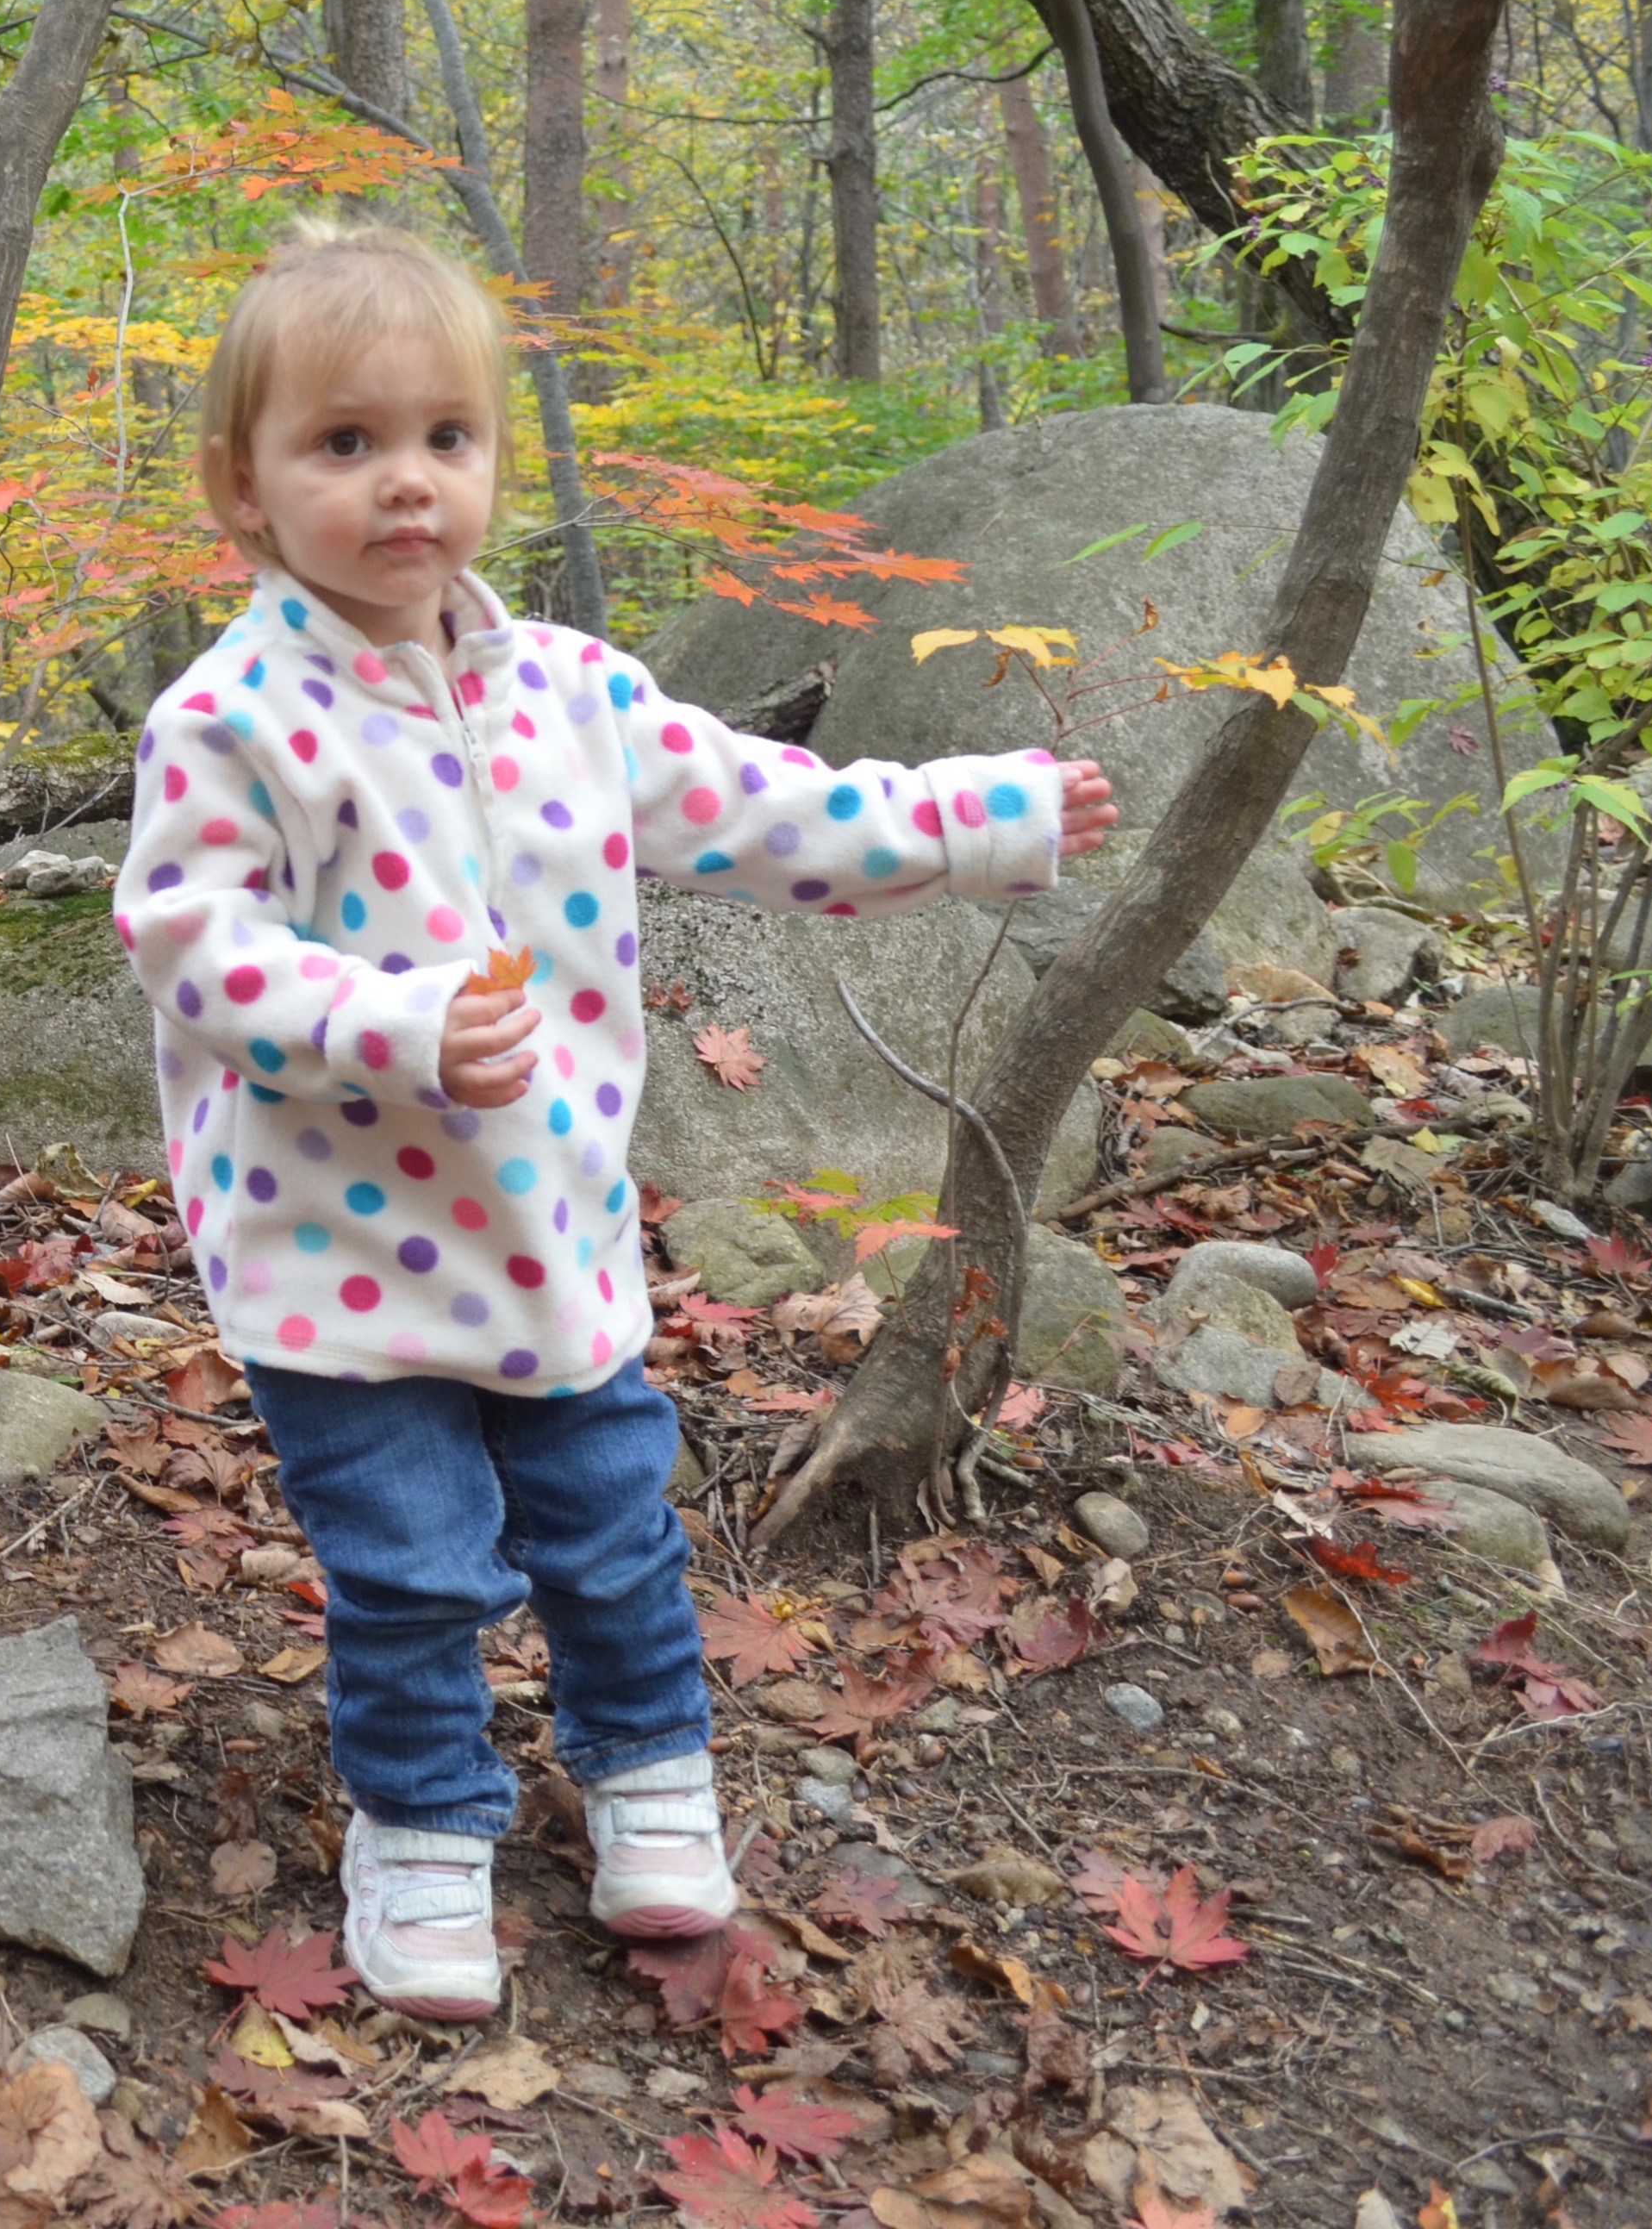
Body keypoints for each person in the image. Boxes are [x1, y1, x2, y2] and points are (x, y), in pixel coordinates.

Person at [111, 220, 1118, 2019]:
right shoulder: (231, 718)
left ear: (495, 458)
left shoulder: (572, 695)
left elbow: (769, 811)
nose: (403, 483)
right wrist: (400, 1023)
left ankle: (647, 1773)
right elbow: (194, 948)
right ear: (242, 490)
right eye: (342, 446)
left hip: (548, 1225)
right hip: (330, 1248)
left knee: (610, 1519)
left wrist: (976, 820)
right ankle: (422, 1825)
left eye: (444, 439)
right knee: (409, 1562)